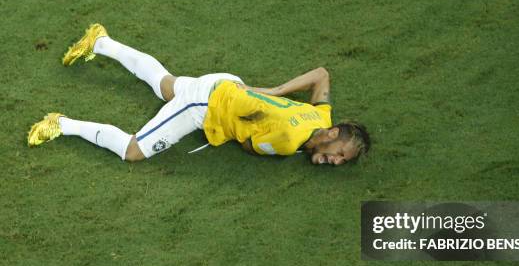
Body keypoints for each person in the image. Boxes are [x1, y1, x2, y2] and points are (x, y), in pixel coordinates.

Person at [28, 24, 370, 165]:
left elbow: (321, 74)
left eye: (342, 160)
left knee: (165, 84)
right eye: (338, 153)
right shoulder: (285, 143)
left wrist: (277, 91)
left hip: (228, 83)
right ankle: (60, 124)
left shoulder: (322, 114)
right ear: (331, 133)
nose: (336, 161)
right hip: (205, 105)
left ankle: (100, 41)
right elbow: (249, 145)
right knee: (134, 151)